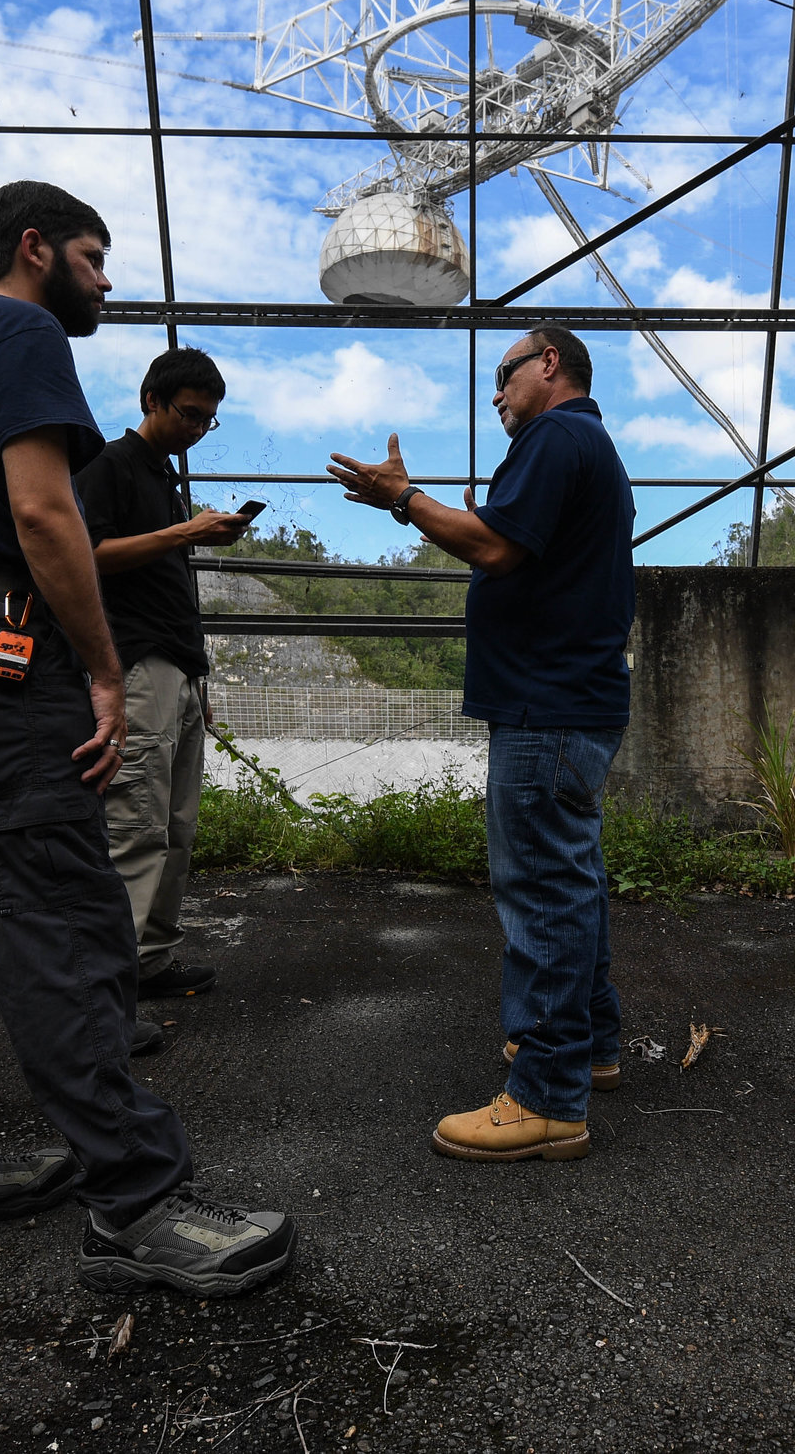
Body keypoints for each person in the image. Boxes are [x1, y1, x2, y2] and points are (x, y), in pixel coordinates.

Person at [0, 178, 293, 1297]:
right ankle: (136, 1197)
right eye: (94, 258)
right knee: (65, 912)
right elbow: (45, 512)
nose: (105, 279)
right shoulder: (16, 326)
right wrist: (102, 668)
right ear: (33, 248)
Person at [327, 327, 634, 1162]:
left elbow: (494, 546)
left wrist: (405, 499)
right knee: (573, 881)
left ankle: (546, 1094)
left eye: (502, 375)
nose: (495, 393)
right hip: (573, 702)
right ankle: (590, 1045)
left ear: (547, 365)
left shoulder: (556, 436)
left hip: (547, 706)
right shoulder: (587, 443)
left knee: (541, 890)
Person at [74, 348, 251, 999]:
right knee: (136, 825)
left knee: (177, 826)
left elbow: (171, 583)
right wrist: (183, 534)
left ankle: (150, 961)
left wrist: (197, 679)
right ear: (151, 399)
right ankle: (108, 989)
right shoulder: (109, 464)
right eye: (189, 413)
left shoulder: (164, 482)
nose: (197, 430)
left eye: (209, 420)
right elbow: (87, 554)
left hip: (176, 667)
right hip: (137, 662)